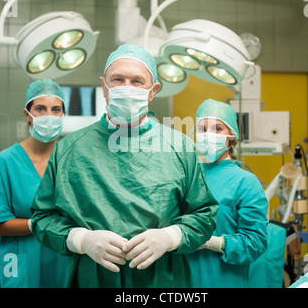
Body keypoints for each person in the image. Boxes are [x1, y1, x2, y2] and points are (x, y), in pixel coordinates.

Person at [30, 43, 218, 288]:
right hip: (92, 279)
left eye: (137, 81)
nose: (126, 88)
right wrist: (81, 239)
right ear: (104, 87)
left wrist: (170, 237)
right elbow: (42, 217)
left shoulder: (179, 147)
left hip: (162, 280)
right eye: (117, 80)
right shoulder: (70, 148)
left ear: (153, 91)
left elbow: (203, 214)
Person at [0, 79, 67, 288]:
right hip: (22, 265)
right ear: (27, 115)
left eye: (56, 109)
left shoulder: (71, 158)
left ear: (63, 115)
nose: (49, 115)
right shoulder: (6, 161)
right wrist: (38, 225)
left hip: (66, 261)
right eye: (40, 109)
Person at [188, 99, 268, 288]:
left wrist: (212, 243)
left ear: (231, 134)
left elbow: (256, 243)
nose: (208, 135)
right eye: (202, 129)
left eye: (217, 129)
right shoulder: (188, 175)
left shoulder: (245, 182)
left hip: (223, 280)